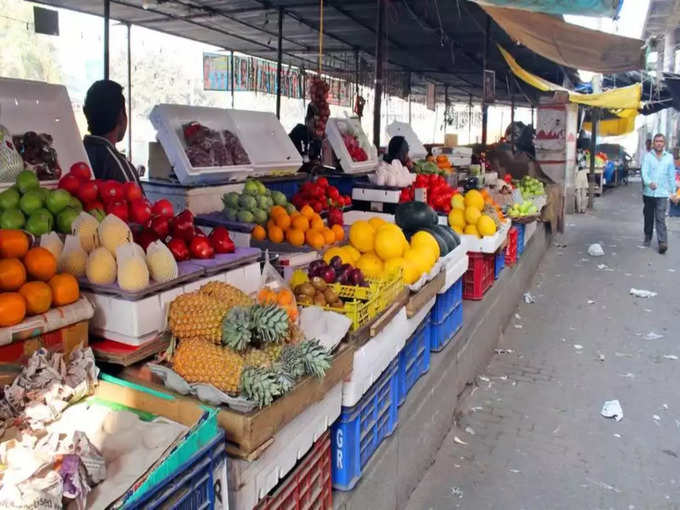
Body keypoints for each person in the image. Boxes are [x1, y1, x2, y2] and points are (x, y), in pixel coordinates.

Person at [82, 80, 143, 187]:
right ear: (121, 115)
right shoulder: (119, 166)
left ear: (86, 113)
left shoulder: (74, 155)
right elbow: (140, 203)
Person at [641, 133, 679, 254]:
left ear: (664, 143)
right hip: (649, 192)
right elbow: (644, 172)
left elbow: (671, 175)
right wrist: (648, 182)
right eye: (657, 141)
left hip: (662, 193)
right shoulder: (648, 157)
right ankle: (648, 236)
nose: (659, 143)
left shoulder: (668, 158)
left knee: (660, 218)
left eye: (661, 141)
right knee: (648, 216)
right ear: (653, 143)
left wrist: (674, 192)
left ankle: (662, 242)